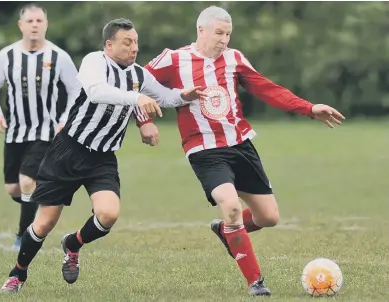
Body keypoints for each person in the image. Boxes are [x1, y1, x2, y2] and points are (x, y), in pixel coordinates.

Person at [143, 5, 345, 296]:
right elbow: (136, 84)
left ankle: (226, 231)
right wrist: (144, 121)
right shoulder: (173, 59)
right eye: (218, 33)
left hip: (240, 144)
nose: (224, 40)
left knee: (268, 217)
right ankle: (255, 283)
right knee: (232, 207)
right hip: (204, 149)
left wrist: (310, 108)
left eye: (228, 34)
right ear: (201, 30)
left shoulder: (234, 58)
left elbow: (267, 89)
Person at [0, 18, 207, 294]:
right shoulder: (95, 61)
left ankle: (73, 244)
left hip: (103, 158)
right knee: (44, 223)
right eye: (127, 42)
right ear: (109, 45)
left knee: (108, 214)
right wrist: (136, 99)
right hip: (68, 151)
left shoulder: (138, 74)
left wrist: (185, 95)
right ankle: (18, 274)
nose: (134, 48)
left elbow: (165, 98)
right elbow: (97, 92)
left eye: (136, 42)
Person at [0, 3, 79, 250]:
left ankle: (24, 237)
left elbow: (76, 90)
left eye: (39, 21)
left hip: (46, 131)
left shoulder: (58, 56)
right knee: (13, 188)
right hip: (15, 131)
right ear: (21, 25)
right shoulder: (7, 56)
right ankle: (41, 204)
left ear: (46, 24)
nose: (35, 25)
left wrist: (65, 119)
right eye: (30, 21)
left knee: (27, 181)